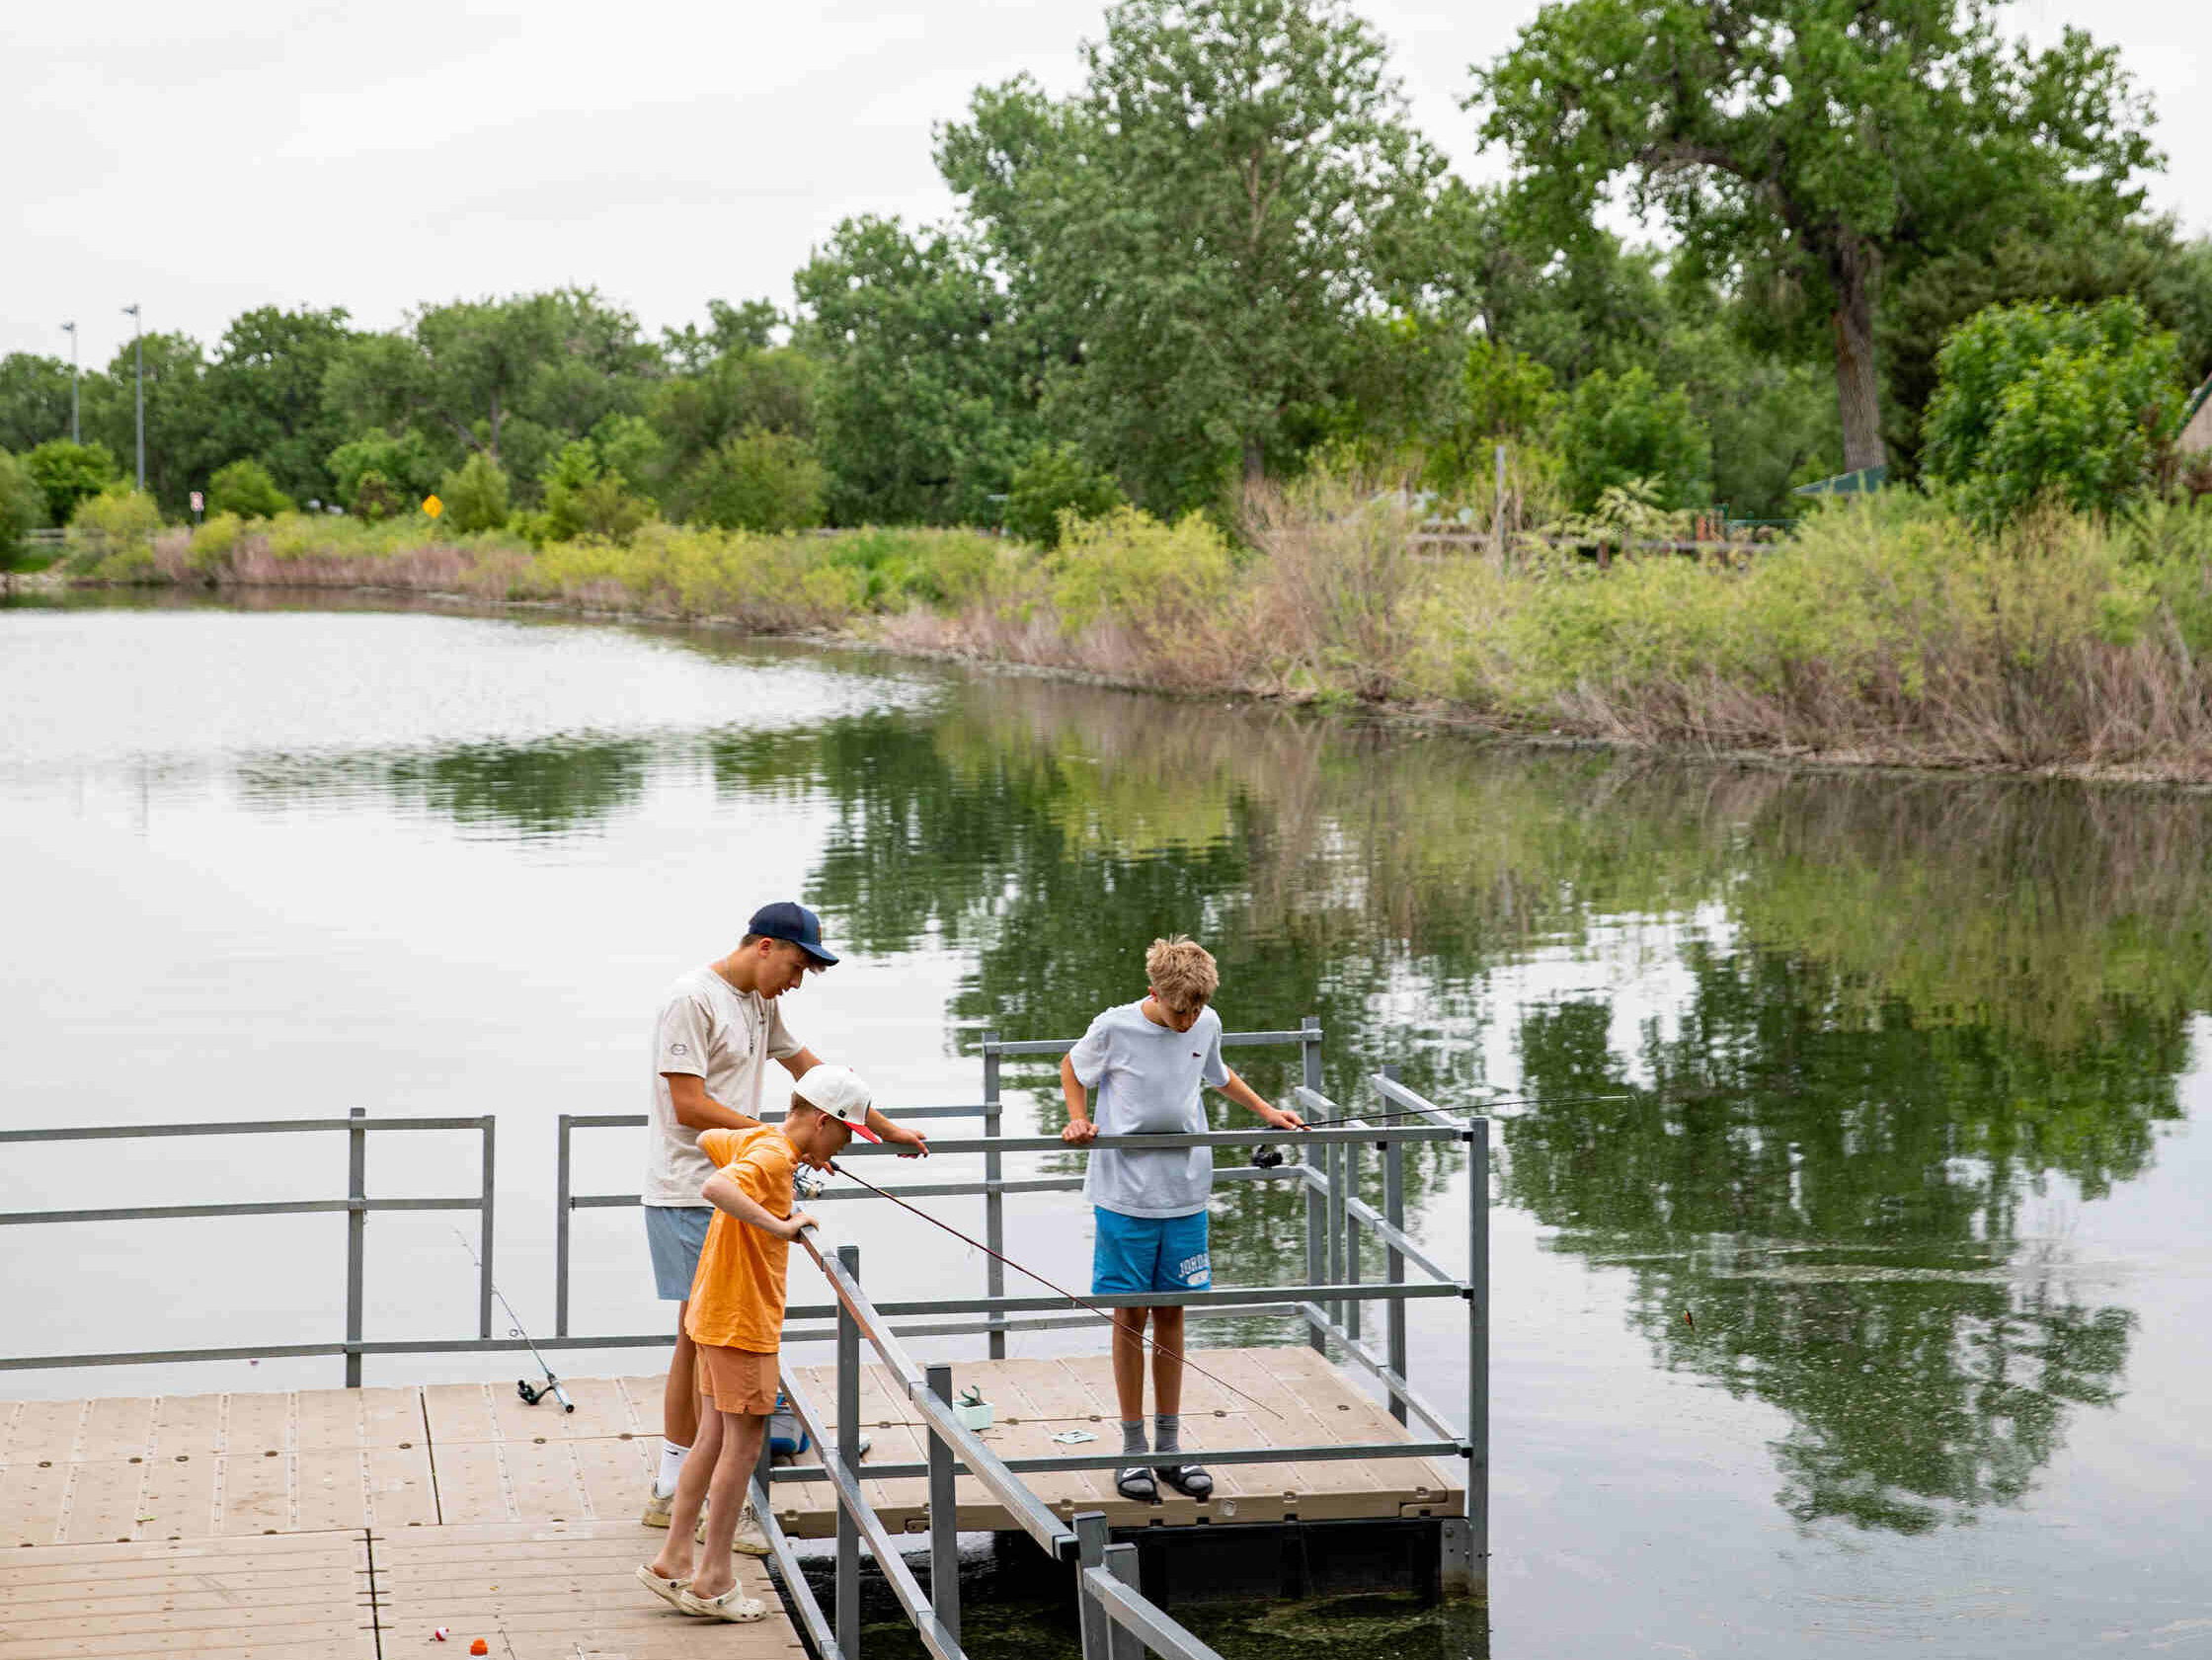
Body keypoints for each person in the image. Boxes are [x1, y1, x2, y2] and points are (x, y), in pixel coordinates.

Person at [641, 902, 925, 1534]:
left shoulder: (760, 1004)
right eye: (796, 967)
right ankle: (674, 1482)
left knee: (707, 1338)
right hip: (693, 1189)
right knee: (698, 1336)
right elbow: (687, 1106)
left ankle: (693, 1487)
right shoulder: (692, 999)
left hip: (739, 1182)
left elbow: (816, 1078)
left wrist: (885, 1130)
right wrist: (780, 1141)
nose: (796, 983)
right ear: (765, 946)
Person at [635, 1066, 890, 1620]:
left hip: (711, 1310)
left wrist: (782, 1167)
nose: (846, 1146)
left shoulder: (760, 1140)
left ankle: (674, 1558)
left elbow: (708, 1139)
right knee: (744, 1445)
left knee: (711, 1435)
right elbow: (716, 1185)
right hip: (743, 1319)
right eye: (845, 1134)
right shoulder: (773, 1156)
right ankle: (714, 1580)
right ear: (823, 1121)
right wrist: (780, 1224)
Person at [1059, 934, 1305, 1502]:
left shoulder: (1205, 1021)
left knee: (1172, 1313)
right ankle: (1131, 1450)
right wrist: (1078, 1120)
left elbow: (1218, 1076)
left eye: (1196, 1008)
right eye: (1179, 1010)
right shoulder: (1116, 1026)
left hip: (1186, 1191)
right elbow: (1072, 1068)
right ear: (1155, 993)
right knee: (1130, 1316)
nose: (1188, 1018)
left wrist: (1268, 1111)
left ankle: (1169, 1447)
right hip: (1125, 1193)